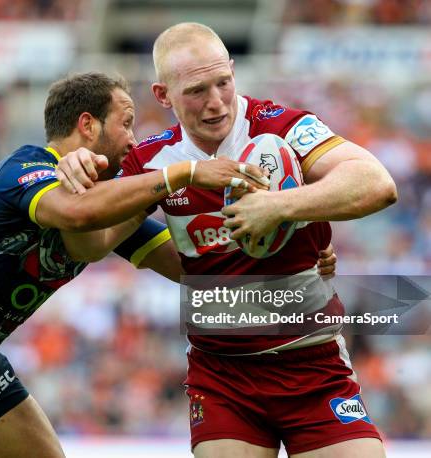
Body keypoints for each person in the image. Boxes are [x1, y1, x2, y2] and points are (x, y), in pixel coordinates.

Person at [0, 71, 283, 458]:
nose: (135, 140)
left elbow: (195, 271)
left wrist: (295, 242)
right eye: (126, 123)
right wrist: (177, 174)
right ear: (88, 125)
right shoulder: (26, 168)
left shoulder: (107, 202)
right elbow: (76, 214)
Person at [56, 23, 397, 458]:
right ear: (163, 96)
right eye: (197, 90)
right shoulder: (154, 161)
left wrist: (281, 206)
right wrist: (73, 182)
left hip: (313, 365)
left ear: (234, 71)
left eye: (224, 83)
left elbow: (377, 183)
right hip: (222, 376)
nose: (216, 102)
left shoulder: (282, 126)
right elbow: (91, 245)